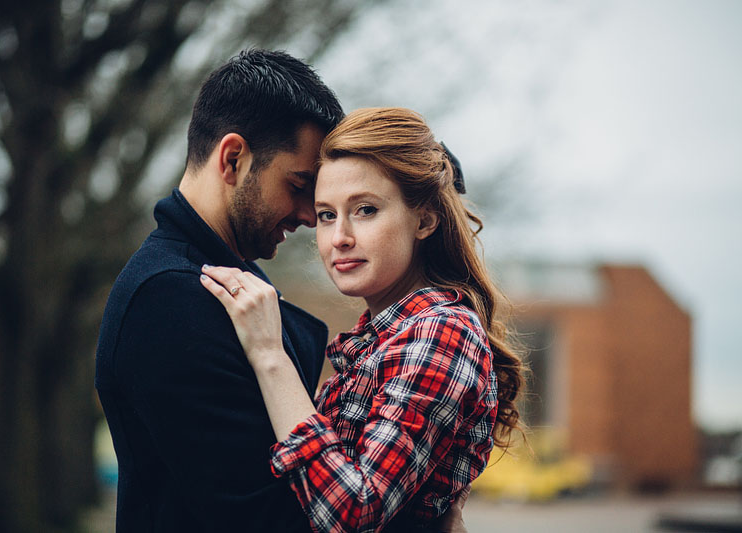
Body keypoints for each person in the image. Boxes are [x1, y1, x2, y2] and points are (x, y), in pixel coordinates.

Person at [200, 107, 525, 532]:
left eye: (366, 209)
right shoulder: (380, 338)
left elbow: (354, 511)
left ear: (424, 219)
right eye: (326, 215)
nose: (340, 238)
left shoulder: (441, 331)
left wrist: (269, 355)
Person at [94, 49, 344, 532]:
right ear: (233, 159)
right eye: (298, 185)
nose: (311, 215)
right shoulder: (170, 300)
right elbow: (262, 516)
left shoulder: (222, 277)